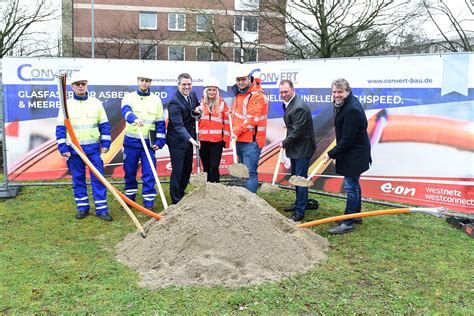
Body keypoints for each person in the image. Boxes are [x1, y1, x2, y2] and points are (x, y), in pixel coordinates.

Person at [56, 73, 113, 221]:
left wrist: (106, 144)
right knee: (78, 179)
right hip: (75, 150)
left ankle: (102, 210)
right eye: (77, 84)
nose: (80, 86)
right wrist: (63, 147)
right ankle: (82, 208)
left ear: (86, 85)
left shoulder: (96, 103)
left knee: (99, 179)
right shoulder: (66, 105)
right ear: (72, 86)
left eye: (83, 83)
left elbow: (104, 126)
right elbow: (61, 128)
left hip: (93, 149)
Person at [323, 78, 372, 235]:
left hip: (355, 153)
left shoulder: (352, 109)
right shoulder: (344, 104)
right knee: (354, 184)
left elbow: (348, 140)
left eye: (340, 92)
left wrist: (330, 154)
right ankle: (355, 215)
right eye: (334, 92)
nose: (337, 95)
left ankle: (348, 222)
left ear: (348, 91)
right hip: (353, 152)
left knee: (351, 186)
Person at [120, 73, 166, 211]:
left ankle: (148, 202)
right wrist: (133, 118)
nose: (144, 83)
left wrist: (160, 141)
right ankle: (130, 199)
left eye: (147, 81)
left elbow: (160, 122)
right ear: (138, 81)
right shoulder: (129, 97)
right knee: (129, 171)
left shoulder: (156, 100)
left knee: (149, 172)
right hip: (131, 143)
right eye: (142, 80)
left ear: (150, 83)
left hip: (148, 144)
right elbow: (125, 111)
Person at [279, 80, 317, 222]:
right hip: (296, 147)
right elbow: (294, 125)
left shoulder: (299, 106)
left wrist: (284, 143)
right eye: (281, 92)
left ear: (293, 90)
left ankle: (300, 212)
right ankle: (298, 204)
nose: (284, 94)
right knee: (295, 178)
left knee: (300, 180)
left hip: (302, 148)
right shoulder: (291, 104)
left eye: (286, 91)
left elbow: (298, 131)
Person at [231, 67, 268, 193]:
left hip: (251, 142)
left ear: (250, 79)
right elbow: (240, 115)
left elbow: (252, 120)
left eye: (243, 79)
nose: (240, 82)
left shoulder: (256, 95)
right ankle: (242, 201)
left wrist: (235, 132)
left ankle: (251, 203)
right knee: (242, 173)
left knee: (250, 173)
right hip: (240, 140)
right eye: (238, 80)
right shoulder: (240, 94)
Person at [166, 73, 200, 204]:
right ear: (178, 84)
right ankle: (175, 199)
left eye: (189, 84)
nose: (187, 87)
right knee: (178, 170)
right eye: (184, 84)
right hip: (177, 141)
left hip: (189, 138)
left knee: (187, 169)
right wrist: (191, 139)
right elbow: (179, 126)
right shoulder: (174, 102)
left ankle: (181, 192)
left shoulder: (192, 94)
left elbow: (195, 109)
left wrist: (198, 110)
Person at [197, 78, 231, 183]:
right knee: (206, 167)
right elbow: (196, 123)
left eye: (214, 90)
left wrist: (226, 140)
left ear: (217, 91)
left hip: (217, 141)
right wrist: (196, 139)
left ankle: (216, 188)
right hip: (203, 141)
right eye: (209, 90)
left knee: (214, 166)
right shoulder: (200, 104)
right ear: (205, 91)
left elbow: (226, 123)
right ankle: (208, 188)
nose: (212, 92)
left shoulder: (222, 104)